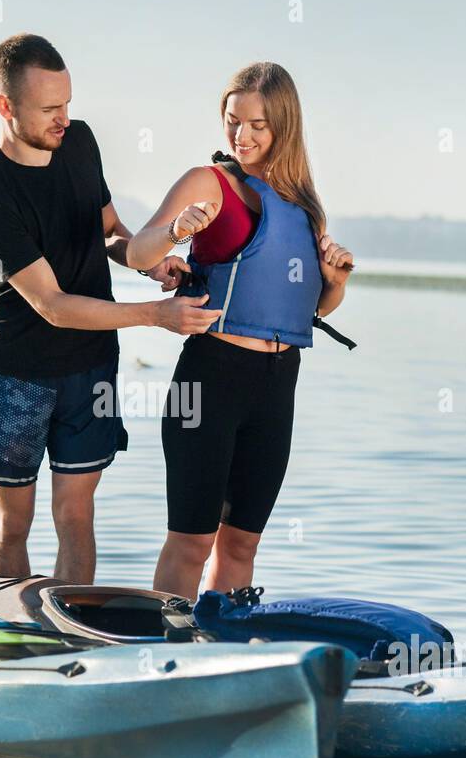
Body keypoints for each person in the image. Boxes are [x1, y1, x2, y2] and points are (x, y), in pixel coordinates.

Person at [0, 33, 219, 583]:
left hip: (92, 367)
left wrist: (151, 264)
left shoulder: (78, 142)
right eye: (49, 108)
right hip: (16, 371)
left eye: (68, 103)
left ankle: (70, 645)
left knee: (77, 515)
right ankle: (12, 641)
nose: (64, 119)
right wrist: (156, 315)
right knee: (13, 523)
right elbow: (52, 305)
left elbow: (106, 231)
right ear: (5, 108)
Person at [125, 62, 356, 599]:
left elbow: (309, 307)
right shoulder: (209, 182)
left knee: (242, 545)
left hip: (277, 385)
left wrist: (336, 282)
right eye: (233, 121)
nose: (241, 136)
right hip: (211, 379)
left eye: (257, 125)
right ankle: (166, 651)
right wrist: (175, 232)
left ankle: (221, 650)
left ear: (284, 126)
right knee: (191, 540)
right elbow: (138, 252)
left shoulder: (305, 207)